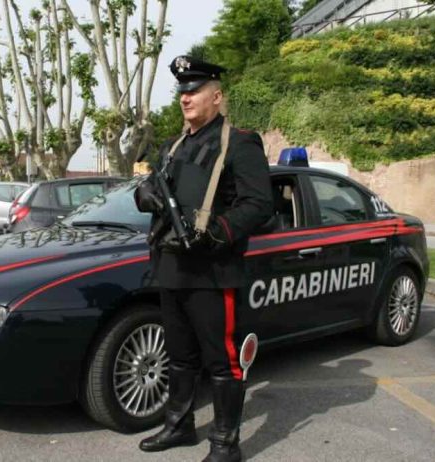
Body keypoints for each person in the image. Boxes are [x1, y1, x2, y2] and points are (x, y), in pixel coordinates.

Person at [135, 56, 273, 462]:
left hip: (214, 269)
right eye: (181, 91)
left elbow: (259, 203)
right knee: (179, 356)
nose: (185, 97)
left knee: (223, 362)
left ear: (217, 95)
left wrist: (218, 232)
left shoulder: (241, 142)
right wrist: (144, 195)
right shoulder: (173, 144)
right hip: (172, 266)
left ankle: (225, 446)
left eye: (193, 90)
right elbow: (149, 186)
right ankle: (179, 426)